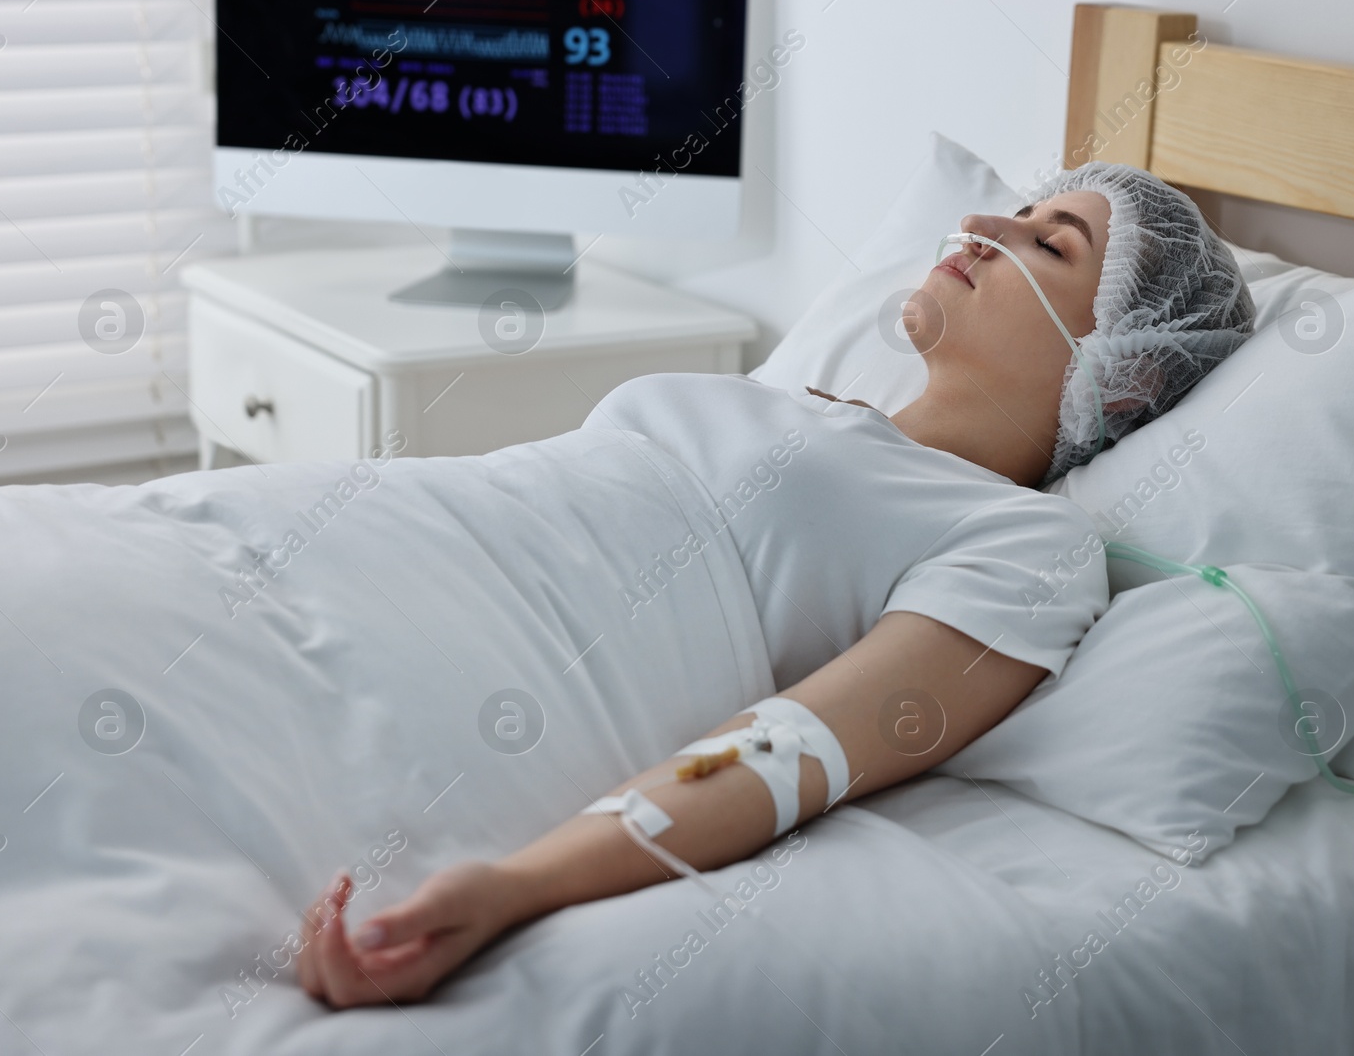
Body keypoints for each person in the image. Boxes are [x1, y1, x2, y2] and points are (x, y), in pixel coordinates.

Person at [294, 161, 1256, 1007]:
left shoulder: (1024, 542)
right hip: (362, 542)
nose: (988, 227)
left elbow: (788, 749)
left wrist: (517, 889)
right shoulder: (800, 401)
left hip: (438, 658)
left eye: (1050, 243)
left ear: (1121, 371)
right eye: (1018, 210)